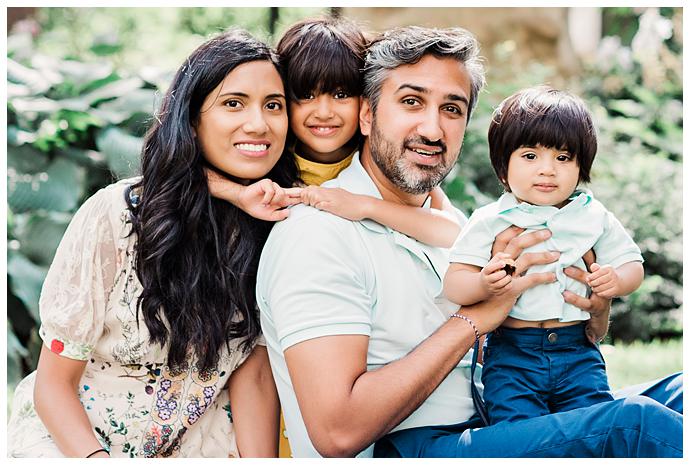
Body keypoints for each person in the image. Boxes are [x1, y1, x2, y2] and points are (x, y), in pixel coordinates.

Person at [255, 26, 682, 458]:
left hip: (496, 417)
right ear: (367, 115)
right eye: (411, 102)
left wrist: (594, 311)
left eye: (452, 109)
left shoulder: (451, 222)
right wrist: (477, 318)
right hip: (407, 447)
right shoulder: (317, 236)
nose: (433, 129)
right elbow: (338, 432)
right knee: (636, 425)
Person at [7, 29, 300, 458]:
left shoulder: (278, 227)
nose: (258, 123)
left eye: (273, 105)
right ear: (192, 119)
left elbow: (253, 377)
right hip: (77, 443)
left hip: (197, 444)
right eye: (233, 103)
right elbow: (53, 384)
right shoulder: (118, 216)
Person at [443, 86, 645, 425]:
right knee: (520, 431)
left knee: (592, 426)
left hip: (576, 351)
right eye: (530, 156)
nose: (547, 170)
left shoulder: (593, 216)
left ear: (582, 167)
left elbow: (632, 265)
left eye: (563, 158)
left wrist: (616, 280)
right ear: (503, 167)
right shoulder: (491, 220)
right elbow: (454, 285)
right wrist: (483, 282)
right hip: (512, 353)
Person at [208, 17, 461, 247]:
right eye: (306, 95)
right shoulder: (271, 155)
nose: (324, 112)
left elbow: (450, 231)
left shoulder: (377, 158)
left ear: (365, 105)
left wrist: (365, 206)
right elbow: (181, 168)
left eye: (341, 95)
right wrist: (238, 194)